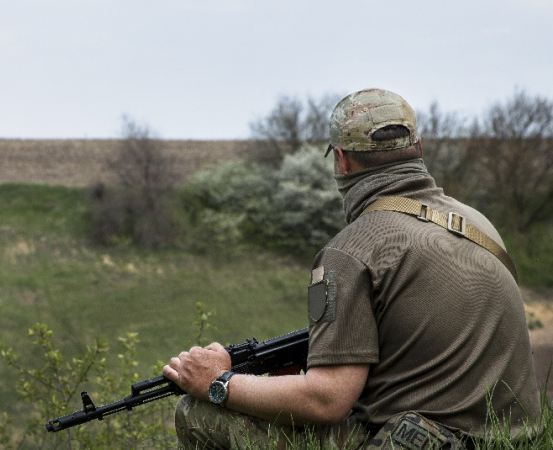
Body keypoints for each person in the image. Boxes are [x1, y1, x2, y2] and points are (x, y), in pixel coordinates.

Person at [162, 88, 541, 449]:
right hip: (516, 437)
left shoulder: (349, 252)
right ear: (418, 150)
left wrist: (219, 382)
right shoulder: (476, 222)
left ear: (341, 160)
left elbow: (327, 401)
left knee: (195, 413)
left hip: (425, 441)